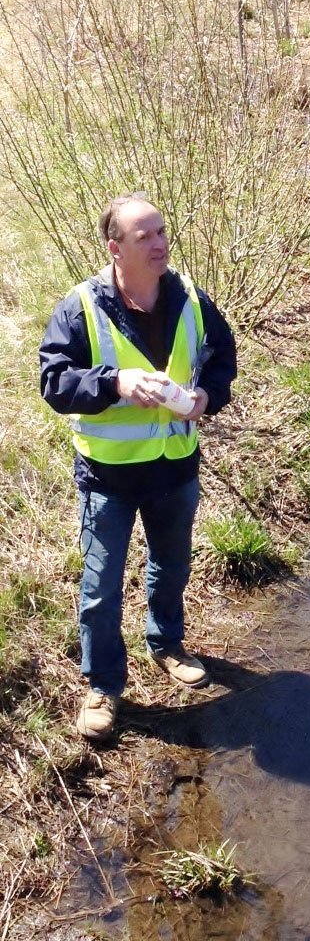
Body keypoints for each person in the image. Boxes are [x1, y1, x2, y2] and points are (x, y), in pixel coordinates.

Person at [39, 194, 237, 741]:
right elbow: (53, 383)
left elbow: (223, 356)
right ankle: (103, 686)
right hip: (109, 476)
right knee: (101, 586)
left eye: (162, 232)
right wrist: (115, 383)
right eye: (145, 236)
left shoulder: (191, 299)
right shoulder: (80, 307)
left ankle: (166, 643)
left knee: (171, 565)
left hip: (174, 468)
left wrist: (206, 397)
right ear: (115, 248)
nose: (159, 244)